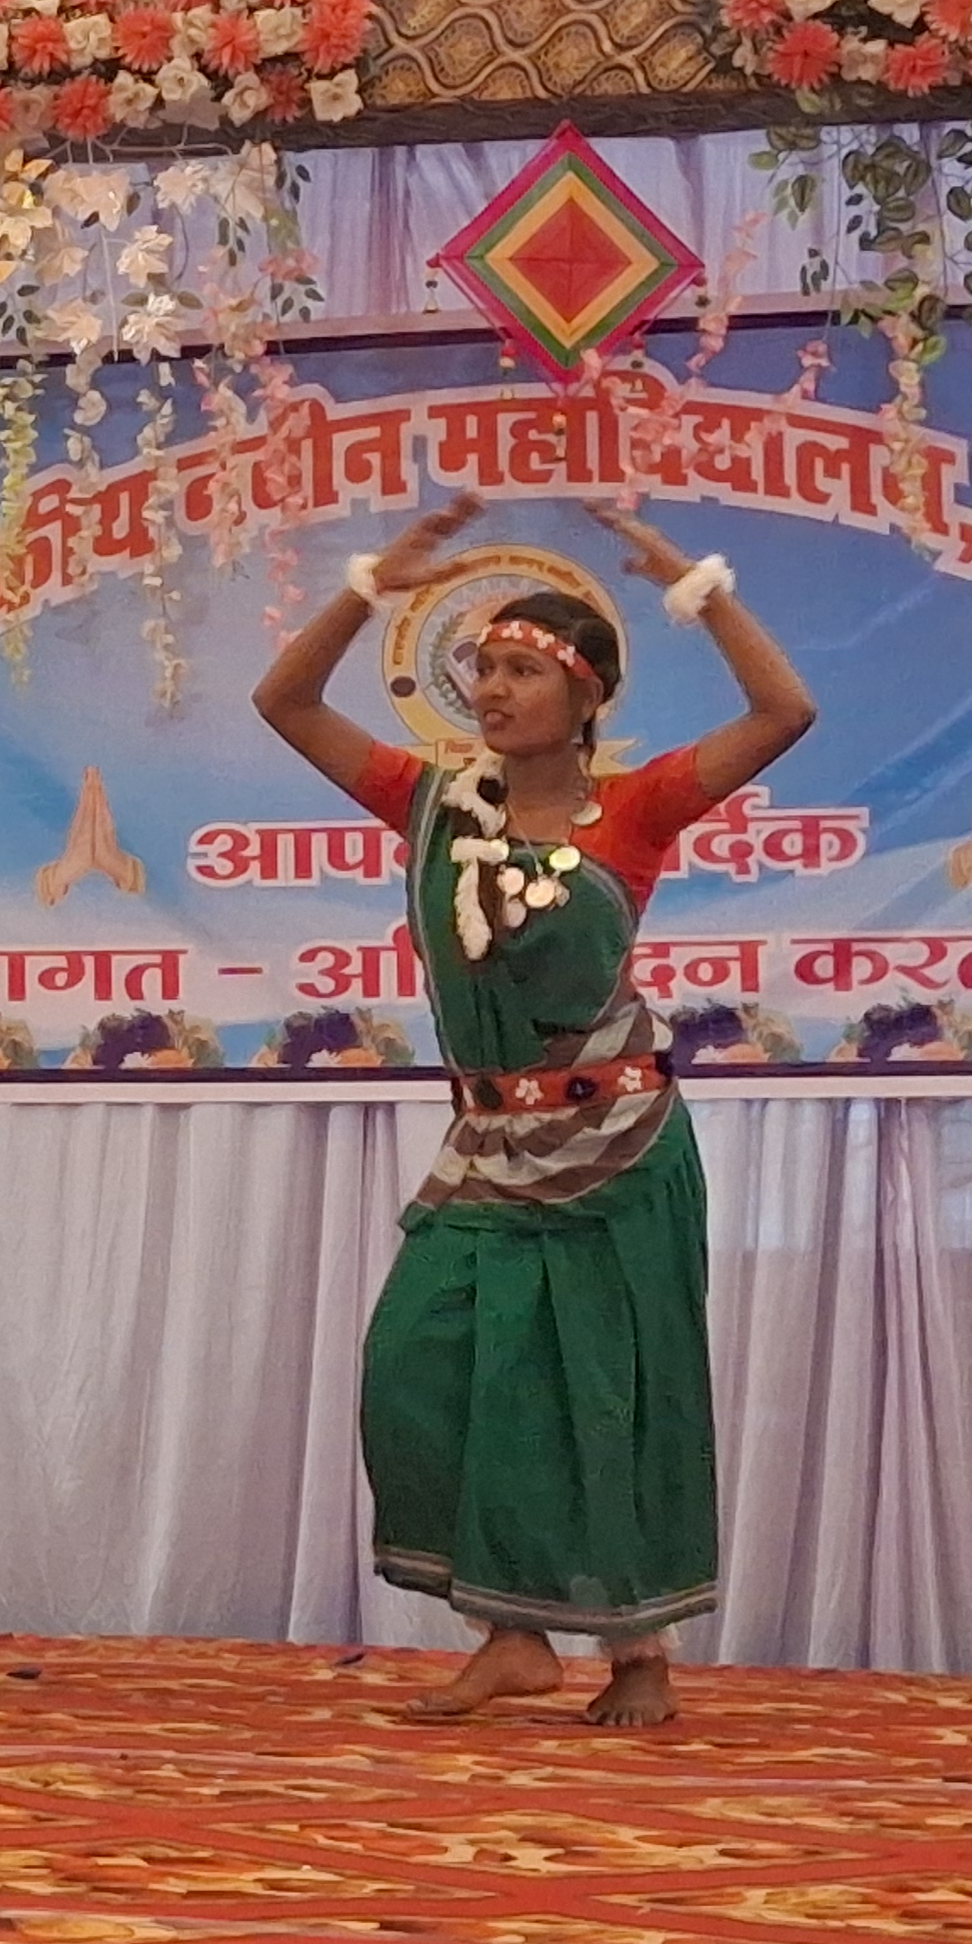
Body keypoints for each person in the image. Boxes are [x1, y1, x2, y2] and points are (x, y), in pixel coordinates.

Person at [251, 495, 813, 1727]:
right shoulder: (434, 802)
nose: (492, 690)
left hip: (617, 1147)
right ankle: (512, 1636)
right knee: (419, 1366)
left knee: (605, 1395)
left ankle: (638, 1650)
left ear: (584, 694)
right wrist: (366, 589)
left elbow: (785, 713)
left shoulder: (639, 808)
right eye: (483, 668)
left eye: (522, 670)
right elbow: (284, 704)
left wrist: (697, 587)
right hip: (489, 1147)